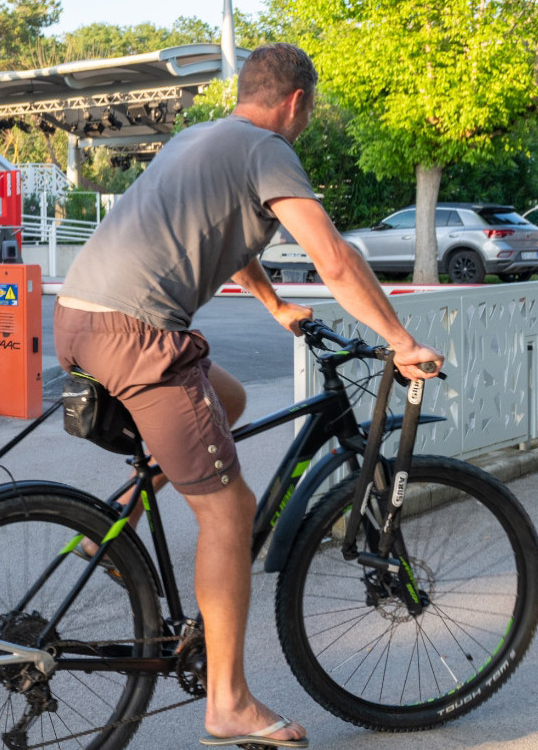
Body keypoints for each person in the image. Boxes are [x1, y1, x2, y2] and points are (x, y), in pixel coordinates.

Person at [53, 43, 444, 748]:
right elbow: (334, 258)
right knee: (229, 510)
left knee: (222, 402)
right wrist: (399, 339)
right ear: (298, 100)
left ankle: (121, 521)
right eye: (311, 106)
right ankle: (227, 704)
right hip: (137, 334)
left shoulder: (199, 137)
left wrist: (272, 305)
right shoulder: (267, 149)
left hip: (79, 318)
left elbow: (230, 238)